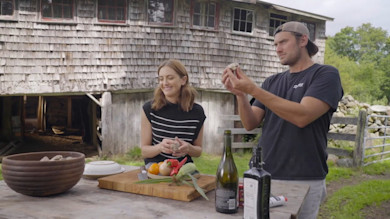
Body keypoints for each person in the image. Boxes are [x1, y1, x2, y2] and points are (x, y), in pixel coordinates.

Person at [222, 21, 343, 219]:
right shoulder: (272, 81)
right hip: (262, 173)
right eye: (275, 44)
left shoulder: (325, 74)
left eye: (283, 42)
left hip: (304, 177)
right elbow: (250, 123)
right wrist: (240, 95)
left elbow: (303, 116)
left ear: (303, 40)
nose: (278, 49)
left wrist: (252, 89)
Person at [141, 59, 206, 165]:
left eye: (170, 78)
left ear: (183, 80)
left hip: (183, 168)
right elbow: (144, 151)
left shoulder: (197, 112)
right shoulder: (149, 109)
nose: (165, 83)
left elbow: (198, 151)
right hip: (156, 168)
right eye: (161, 79)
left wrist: (188, 148)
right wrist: (160, 147)